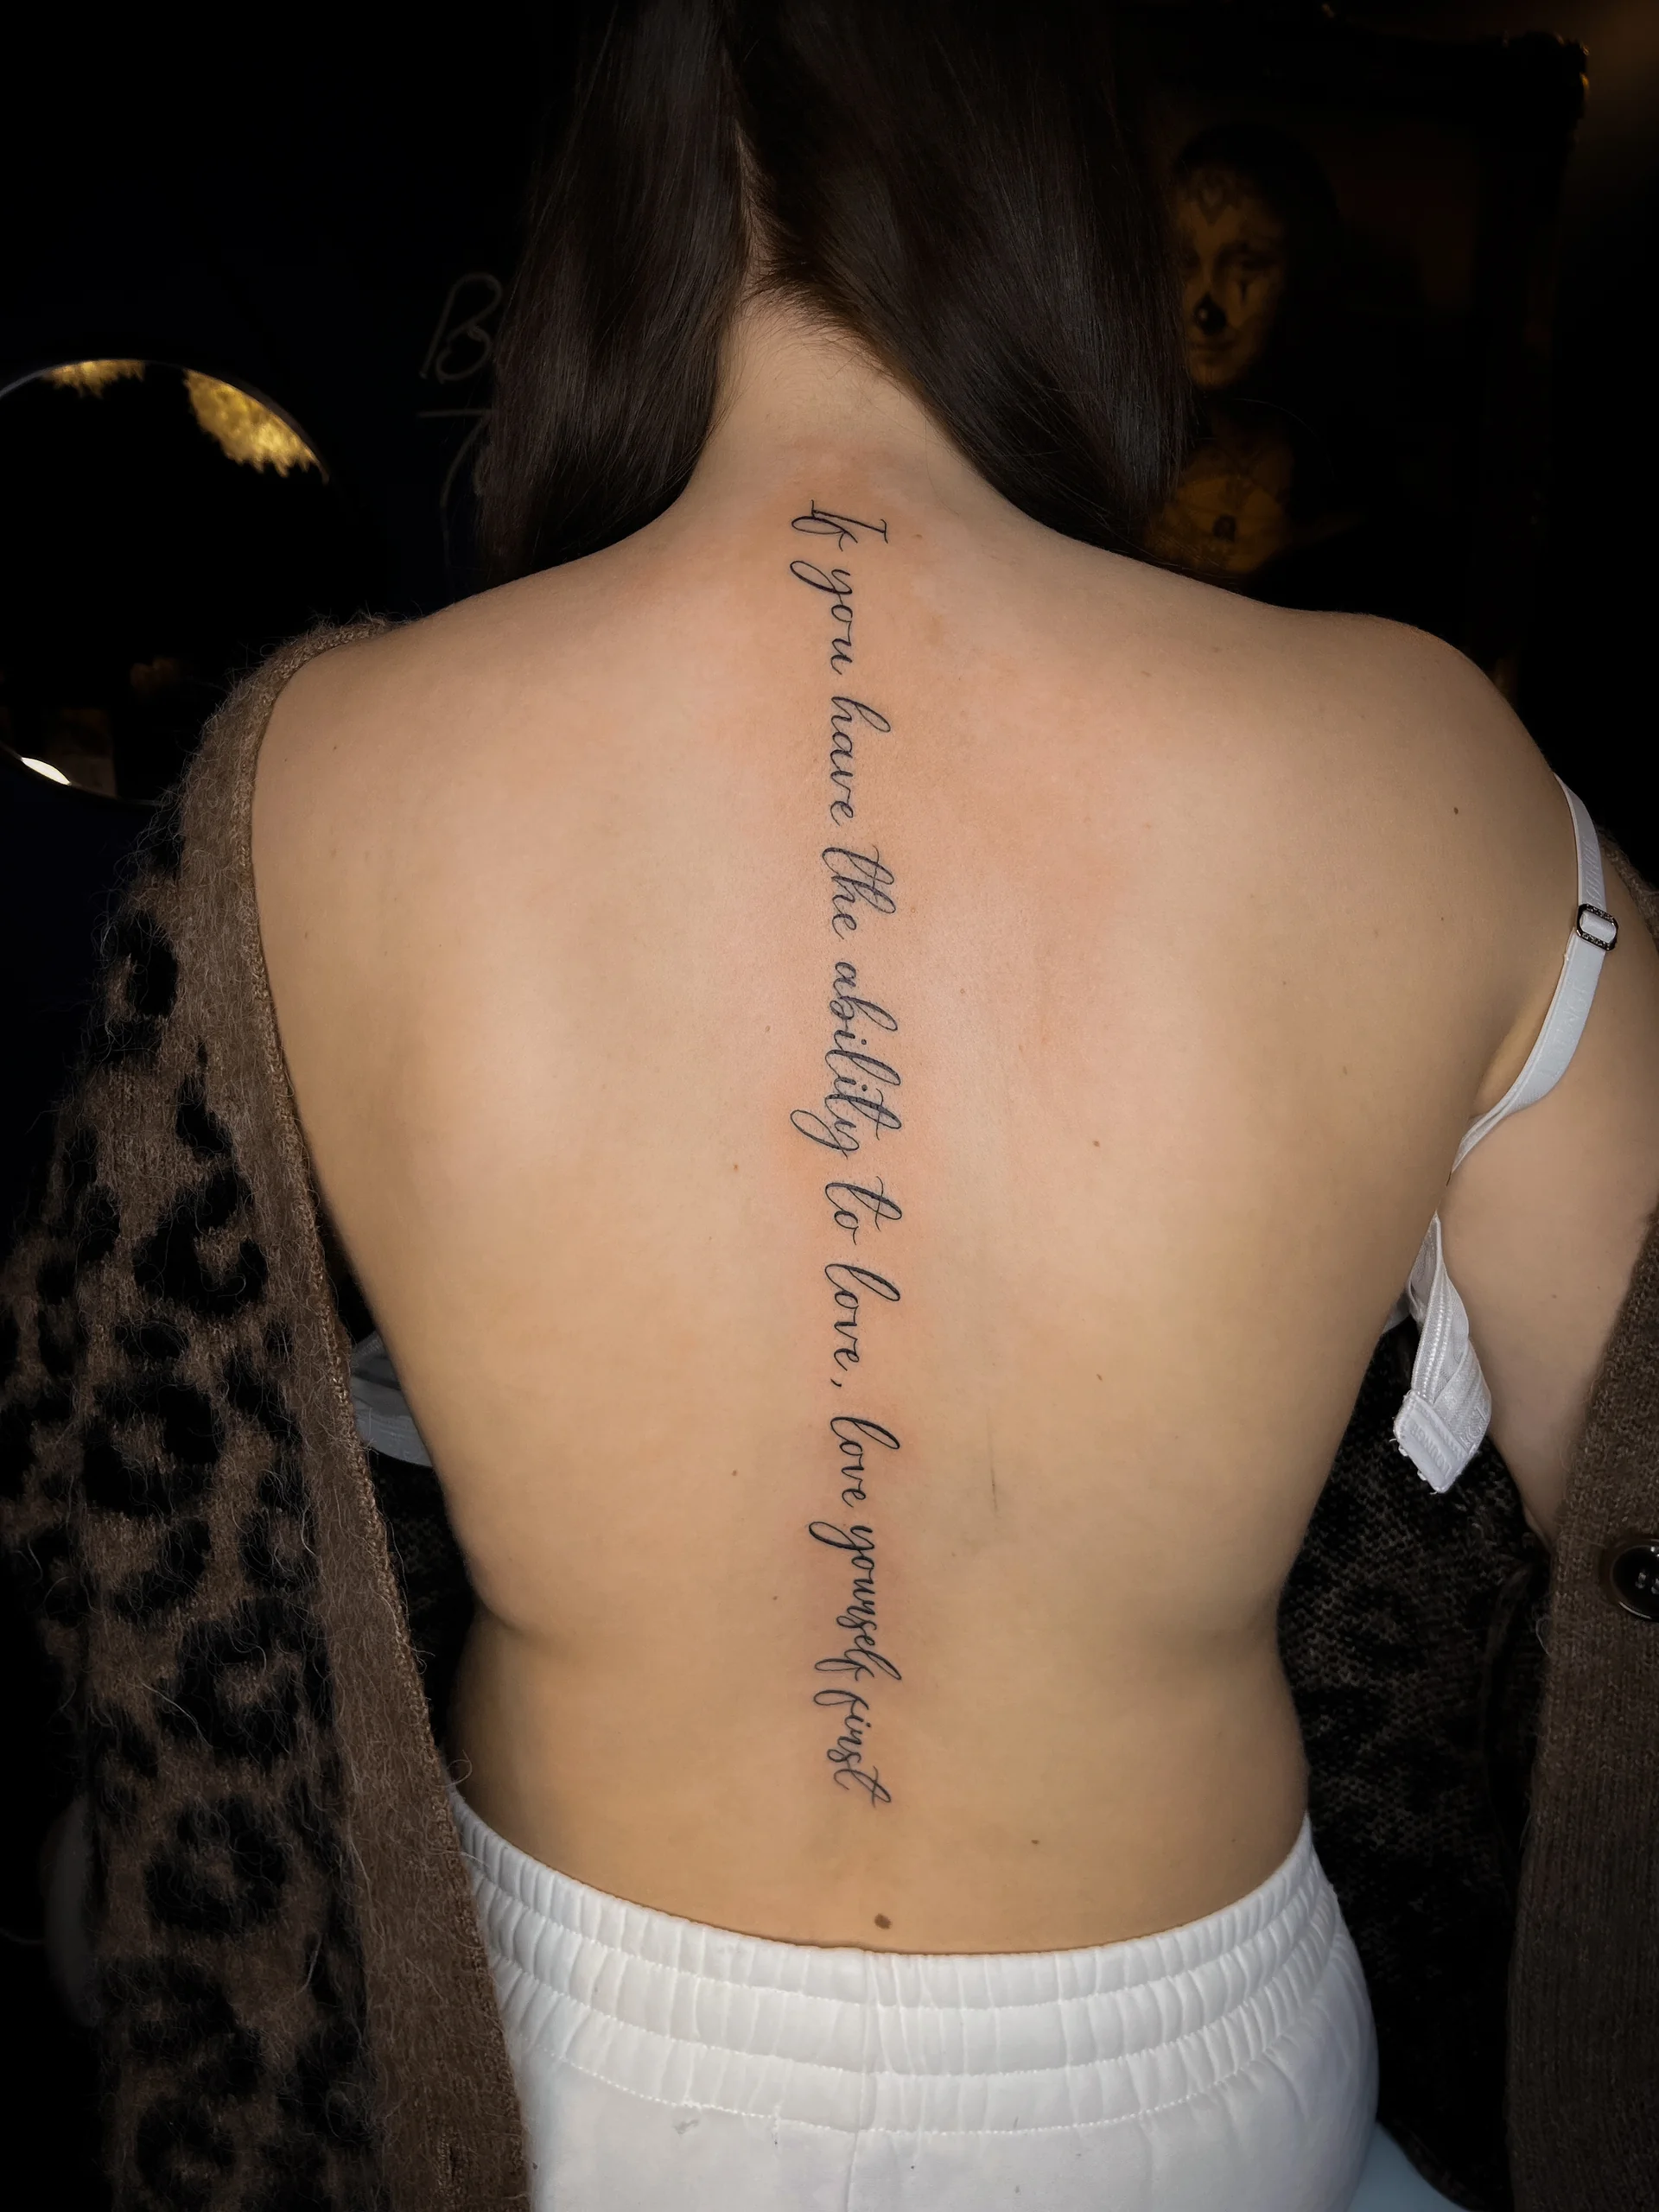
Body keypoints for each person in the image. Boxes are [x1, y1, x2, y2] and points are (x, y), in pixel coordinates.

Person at [5, 3, 1657, 2208]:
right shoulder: (1430, 766)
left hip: (545, 2067)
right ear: (1076, 210)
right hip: (1194, 2087)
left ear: (604, 228)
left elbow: (164, 1539)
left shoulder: (313, 780)